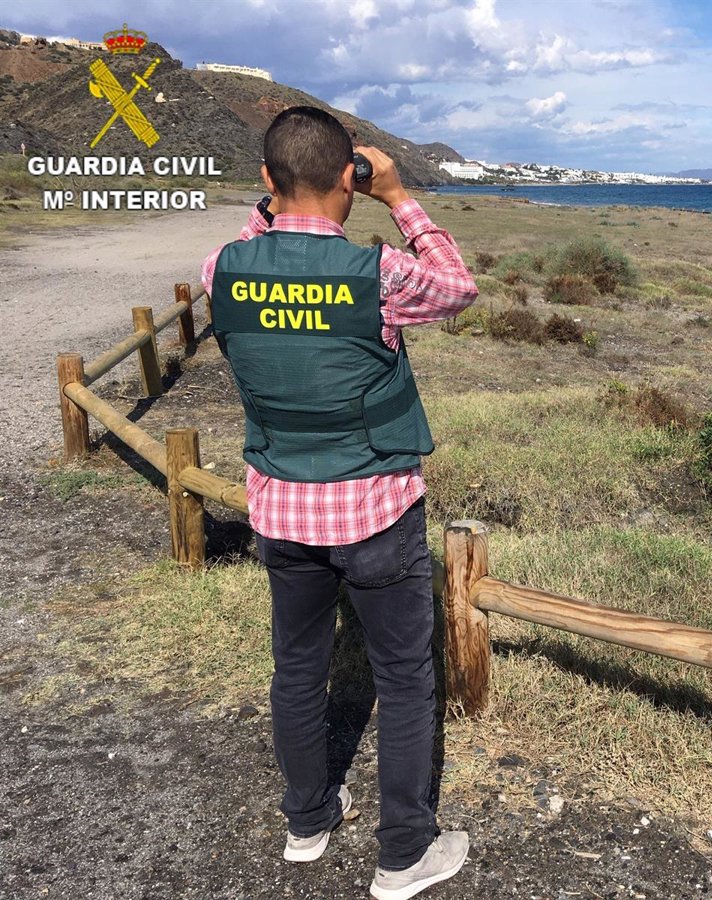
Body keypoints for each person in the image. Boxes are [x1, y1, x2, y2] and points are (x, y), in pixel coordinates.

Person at [201, 106, 478, 900]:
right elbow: (459, 288)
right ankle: (404, 855)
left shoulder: (224, 266)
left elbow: (257, 235)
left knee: (297, 667)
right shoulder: (377, 274)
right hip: (376, 509)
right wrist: (400, 197)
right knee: (404, 678)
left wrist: (277, 201)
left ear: (266, 180)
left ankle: (308, 821)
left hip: (279, 510)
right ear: (349, 182)